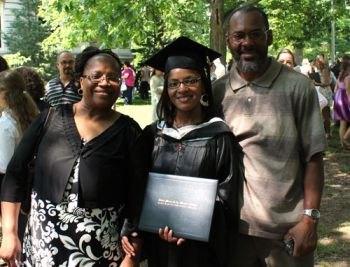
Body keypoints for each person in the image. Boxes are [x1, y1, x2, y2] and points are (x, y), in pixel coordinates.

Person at [0, 47, 141, 266]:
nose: (105, 82)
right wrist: (9, 233)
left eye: (113, 77)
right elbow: (15, 174)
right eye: (96, 76)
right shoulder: (49, 119)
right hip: (43, 244)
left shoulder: (129, 132)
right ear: (80, 80)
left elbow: (138, 196)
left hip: (100, 250)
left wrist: (131, 256)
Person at [213, 6, 326, 266]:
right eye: (238, 36)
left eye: (255, 34)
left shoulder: (298, 87)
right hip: (231, 232)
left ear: (270, 36)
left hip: (286, 232)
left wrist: (309, 220)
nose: (247, 42)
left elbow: (314, 157)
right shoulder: (217, 92)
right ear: (228, 40)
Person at [122, 36, 242, 267]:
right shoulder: (152, 135)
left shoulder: (219, 135)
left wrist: (189, 226)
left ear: (203, 84)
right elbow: (137, 188)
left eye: (190, 81)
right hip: (158, 243)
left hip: (200, 249)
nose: (182, 89)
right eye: (174, 83)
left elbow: (226, 199)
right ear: (166, 89)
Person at [0, 69, 39, 186]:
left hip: (11, 188)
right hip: (30, 182)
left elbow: (5, 166)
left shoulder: (5, 123)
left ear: (3, 93)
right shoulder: (32, 114)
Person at [333, 55, 350, 150]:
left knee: (343, 122)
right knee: (344, 121)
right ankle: (346, 139)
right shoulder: (348, 76)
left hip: (338, 97)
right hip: (344, 99)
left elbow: (336, 89)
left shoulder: (340, 75)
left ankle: (343, 144)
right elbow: (348, 91)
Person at [315, 56, 333, 138]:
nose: (316, 62)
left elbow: (326, 83)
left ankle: (328, 133)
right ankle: (327, 132)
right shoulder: (319, 70)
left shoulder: (325, 70)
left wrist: (316, 83)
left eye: (317, 60)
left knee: (325, 114)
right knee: (324, 114)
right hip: (321, 91)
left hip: (325, 92)